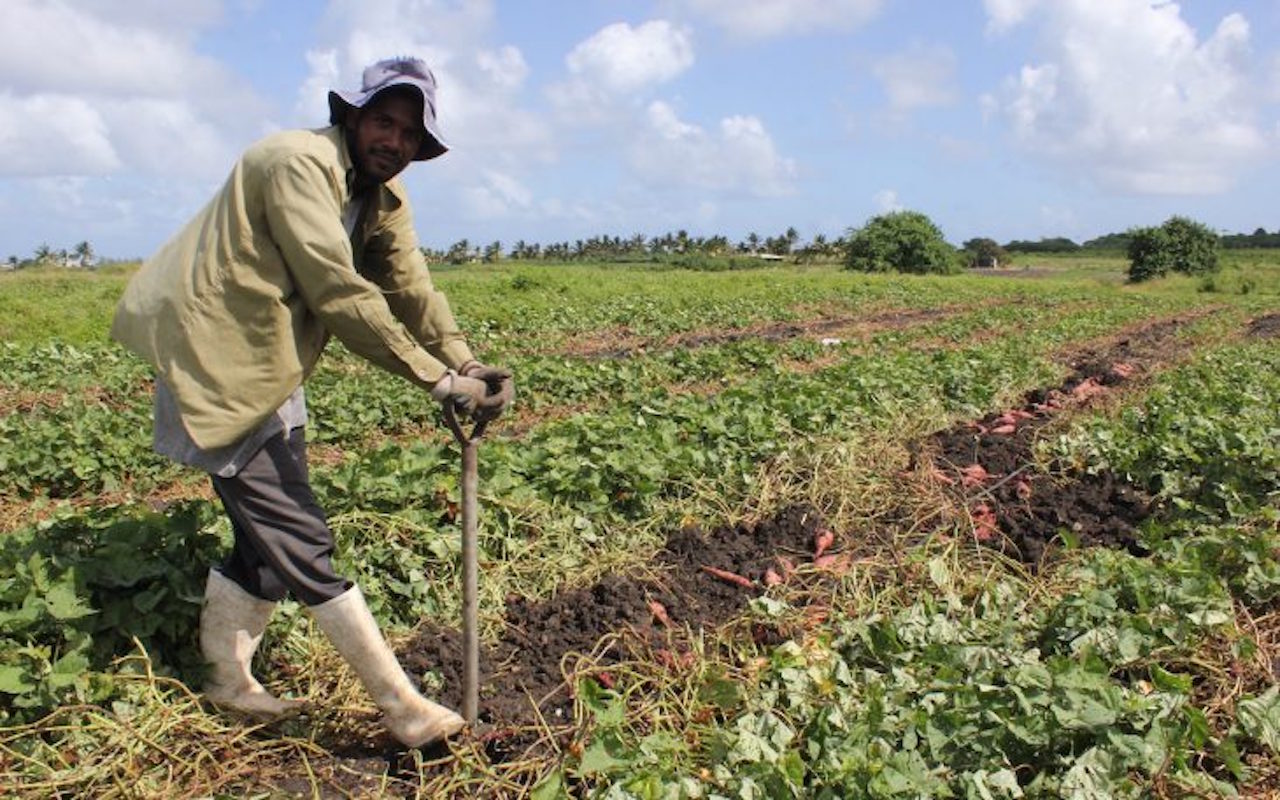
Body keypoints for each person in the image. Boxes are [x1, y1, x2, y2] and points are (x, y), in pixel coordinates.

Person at [110, 57, 513, 748]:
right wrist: (435, 380)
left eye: (411, 134)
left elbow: (411, 289)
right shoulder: (295, 163)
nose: (395, 142)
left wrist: (465, 360)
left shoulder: (383, 199)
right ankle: (403, 708)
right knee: (296, 531)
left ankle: (228, 683)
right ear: (351, 117)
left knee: (266, 542)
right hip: (215, 352)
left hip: (273, 358)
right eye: (384, 122)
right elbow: (338, 291)